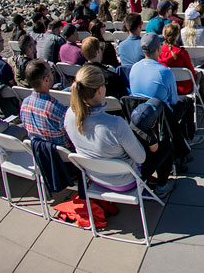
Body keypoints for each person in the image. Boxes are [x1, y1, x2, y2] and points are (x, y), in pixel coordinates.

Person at [65, 64, 170, 196]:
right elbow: (141, 158)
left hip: (94, 176)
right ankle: (162, 187)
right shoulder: (115, 124)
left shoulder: (69, 115)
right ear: (99, 90)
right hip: (124, 181)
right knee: (166, 145)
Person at [129, 33, 203, 149]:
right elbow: (173, 100)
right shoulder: (164, 72)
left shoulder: (134, 67)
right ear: (158, 49)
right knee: (187, 101)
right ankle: (189, 136)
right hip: (161, 116)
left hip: (140, 112)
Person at [20, 59, 73, 149]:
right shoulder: (58, 111)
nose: (53, 74)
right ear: (46, 80)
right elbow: (68, 143)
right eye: (51, 72)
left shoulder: (24, 105)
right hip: (61, 157)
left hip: (39, 153)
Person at [159, 23, 204, 97]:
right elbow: (191, 72)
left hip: (167, 87)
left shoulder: (158, 52)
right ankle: (202, 101)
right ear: (177, 36)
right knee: (199, 75)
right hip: (184, 87)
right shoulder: (182, 53)